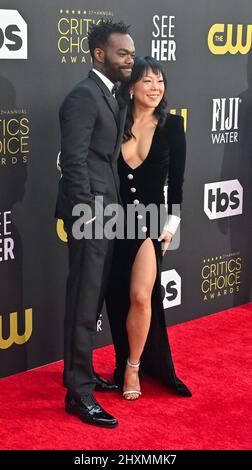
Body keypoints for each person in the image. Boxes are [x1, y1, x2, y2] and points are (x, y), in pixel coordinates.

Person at [55, 20, 135, 426]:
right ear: (99, 54)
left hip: (108, 211)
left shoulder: (112, 95)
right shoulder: (83, 96)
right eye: (122, 53)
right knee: (84, 302)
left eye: (132, 54)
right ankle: (78, 394)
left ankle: (77, 374)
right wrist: (86, 212)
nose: (129, 59)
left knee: (92, 298)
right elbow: (73, 161)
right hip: (91, 214)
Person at [106, 56, 192, 400]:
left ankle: (134, 366)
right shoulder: (114, 121)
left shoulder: (173, 125)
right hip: (113, 221)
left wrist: (172, 224)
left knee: (142, 297)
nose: (156, 88)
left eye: (160, 82)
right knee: (115, 298)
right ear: (131, 87)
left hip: (150, 223)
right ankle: (118, 359)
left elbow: (178, 181)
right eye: (147, 82)